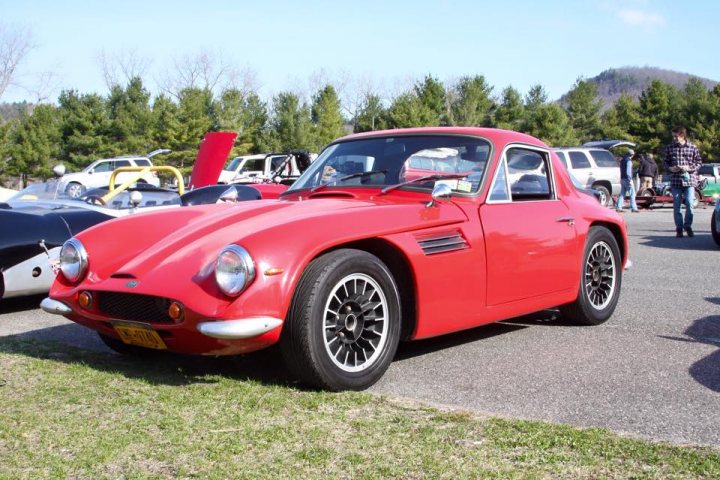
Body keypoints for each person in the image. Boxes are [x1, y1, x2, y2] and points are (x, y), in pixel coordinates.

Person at [663, 126, 703, 237]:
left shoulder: (692, 147)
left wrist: (688, 168)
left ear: (682, 136)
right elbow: (665, 162)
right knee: (677, 205)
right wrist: (670, 168)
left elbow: (699, 163)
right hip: (675, 181)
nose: (674, 138)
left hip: (689, 180)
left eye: (676, 136)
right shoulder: (669, 148)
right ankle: (679, 228)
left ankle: (688, 226)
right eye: (673, 136)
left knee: (690, 203)